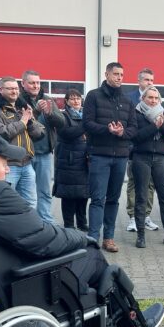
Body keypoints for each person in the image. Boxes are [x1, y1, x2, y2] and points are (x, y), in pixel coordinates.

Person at [0, 125, 164, 327]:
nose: (7, 171)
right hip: (13, 286)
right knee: (92, 255)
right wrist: (81, 237)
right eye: (4, 163)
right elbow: (44, 240)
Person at [83, 62, 136, 252]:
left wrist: (122, 133)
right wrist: (107, 130)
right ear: (106, 74)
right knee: (98, 199)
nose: (119, 77)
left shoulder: (127, 100)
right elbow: (87, 124)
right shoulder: (93, 96)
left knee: (113, 200)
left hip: (120, 157)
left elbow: (134, 128)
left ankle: (109, 238)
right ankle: (93, 239)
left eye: (121, 74)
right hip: (99, 156)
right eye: (116, 74)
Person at [130, 86, 164, 247]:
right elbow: (135, 137)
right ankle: (141, 235)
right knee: (141, 197)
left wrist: (162, 125)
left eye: (156, 98)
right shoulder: (136, 113)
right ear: (143, 98)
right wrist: (154, 127)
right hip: (141, 158)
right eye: (150, 97)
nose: (153, 100)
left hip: (160, 159)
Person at [0, 76, 45, 207]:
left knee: (30, 204)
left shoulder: (22, 108)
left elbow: (39, 134)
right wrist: (22, 122)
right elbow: (0, 133)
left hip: (27, 164)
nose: (14, 91)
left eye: (16, 88)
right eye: (10, 89)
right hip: (7, 165)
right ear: (1, 90)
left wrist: (29, 122)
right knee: (6, 204)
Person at [20, 70, 65, 224]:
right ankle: (30, 221)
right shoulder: (18, 100)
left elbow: (61, 123)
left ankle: (45, 220)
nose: (36, 86)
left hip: (45, 153)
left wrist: (50, 113)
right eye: (32, 82)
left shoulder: (48, 99)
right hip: (25, 155)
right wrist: (38, 111)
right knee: (27, 191)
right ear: (23, 83)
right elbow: (22, 124)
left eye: (38, 82)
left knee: (44, 190)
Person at [125, 68, 158, 232]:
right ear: (139, 81)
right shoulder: (129, 98)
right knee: (134, 183)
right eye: (146, 80)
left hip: (152, 152)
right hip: (134, 150)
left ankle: (146, 216)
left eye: (151, 80)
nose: (149, 83)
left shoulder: (156, 98)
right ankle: (133, 217)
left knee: (150, 184)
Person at [54, 89, 90, 231]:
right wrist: (86, 125)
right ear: (67, 101)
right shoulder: (63, 116)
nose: (76, 101)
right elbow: (68, 133)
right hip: (69, 161)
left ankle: (82, 222)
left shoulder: (85, 116)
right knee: (68, 195)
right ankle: (69, 224)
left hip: (84, 161)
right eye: (72, 99)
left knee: (83, 194)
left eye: (78, 98)